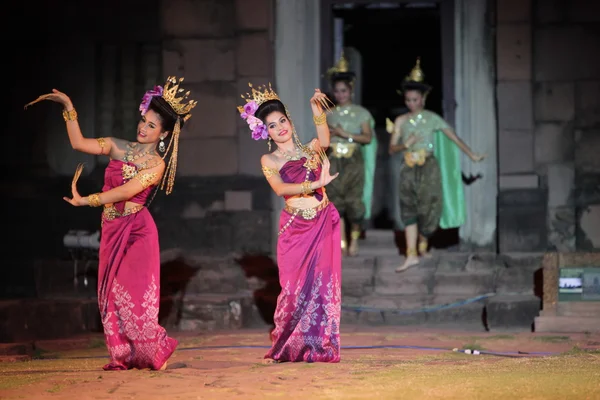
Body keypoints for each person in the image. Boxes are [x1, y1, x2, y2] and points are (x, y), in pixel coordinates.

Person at [24, 76, 197, 370]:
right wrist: (68, 108)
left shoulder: (156, 164)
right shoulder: (118, 146)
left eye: (152, 125)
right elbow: (78, 143)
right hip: (112, 227)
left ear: (164, 134)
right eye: (144, 120)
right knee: (112, 294)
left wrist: (88, 200)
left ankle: (151, 350)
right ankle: (124, 355)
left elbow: (127, 192)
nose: (143, 127)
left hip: (137, 231)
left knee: (136, 293)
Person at [238, 82, 341, 362]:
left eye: (282, 120)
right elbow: (281, 190)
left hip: (322, 221)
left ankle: (317, 345)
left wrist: (315, 109)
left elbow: (326, 140)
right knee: (294, 289)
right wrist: (317, 183)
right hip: (295, 228)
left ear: (290, 121)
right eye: (272, 125)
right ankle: (288, 344)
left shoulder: (310, 150)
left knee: (320, 286)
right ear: (265, 132)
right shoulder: (269, 159)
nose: (280, 127)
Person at [389, 58, 485, 272]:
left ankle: (424, 241)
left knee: (429, 209)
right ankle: (411, 253)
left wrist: (472, 155)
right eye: (408, 100)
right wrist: (406, 143)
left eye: (415, 99)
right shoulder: (401, 121)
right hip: (408, 168)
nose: (411, 104)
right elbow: (392, 149)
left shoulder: (433, 119)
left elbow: (454, 137)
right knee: (409, 209)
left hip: (428, 167)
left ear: (423, 98)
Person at [325, 52, 377, 256]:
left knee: (354, 202)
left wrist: (343, 133)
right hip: (334, 159)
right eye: (337, 91)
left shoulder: (361, 113)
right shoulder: (328, 114)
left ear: (351, 90)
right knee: (335, 201)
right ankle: (341, 240)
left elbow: (367, 138)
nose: (340, 95)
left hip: (353, 160)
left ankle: (354, 239)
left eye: (344, 91)